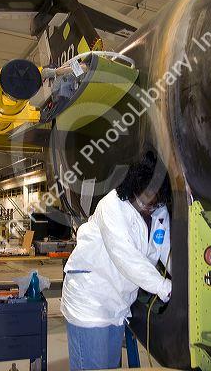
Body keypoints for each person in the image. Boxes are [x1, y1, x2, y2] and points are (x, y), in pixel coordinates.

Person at [61, 153, 172, 370]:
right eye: (148, 196)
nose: (152, 203)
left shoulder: (158, 211)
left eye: (157, 197)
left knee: (109, 365)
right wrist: (164, 287)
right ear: (135, 185)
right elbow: (126, 258)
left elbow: (167, 252)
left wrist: (185, 284)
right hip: (91, 302)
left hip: (118, 305)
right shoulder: (111, 206)